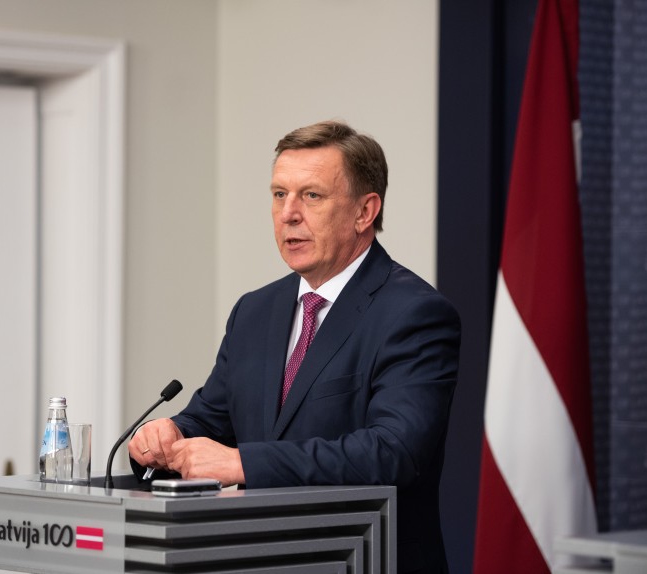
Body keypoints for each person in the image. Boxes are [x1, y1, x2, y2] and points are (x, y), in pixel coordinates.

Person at [128, 120, 461, 573]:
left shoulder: (414, 313)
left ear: (365, 212)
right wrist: (168, 437)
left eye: (312, 195)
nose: (288, 213)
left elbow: (393, 452)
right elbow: (212, 420)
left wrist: (244, 463)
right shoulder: (254, 311)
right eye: (279, 194)